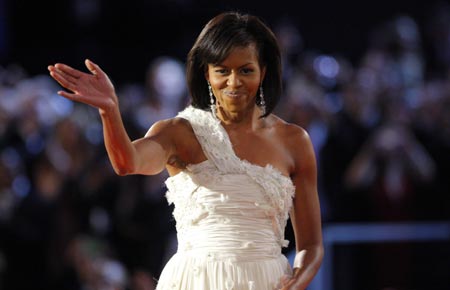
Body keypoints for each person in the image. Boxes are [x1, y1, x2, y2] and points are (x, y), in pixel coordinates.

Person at [48, 11, 323, 290]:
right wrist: (110, 111)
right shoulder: (180, 132)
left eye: (246, 70)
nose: (233, 82)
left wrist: (297, 281)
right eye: (222, 71)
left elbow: (311, 245)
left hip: (269, 282)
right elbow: (127, 162)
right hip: (197, 280)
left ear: (263, 71)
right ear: (207, 73)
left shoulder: (293, 140)